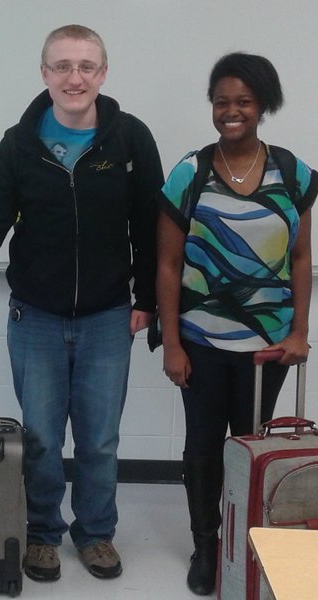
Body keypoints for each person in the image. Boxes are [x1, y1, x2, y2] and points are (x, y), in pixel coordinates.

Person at [0, 25, 163, 582]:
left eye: (87, 66)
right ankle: (42, 533)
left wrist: (148, 301)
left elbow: (151, 228)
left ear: (103, 74)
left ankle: (95, 534)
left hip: (109, 316)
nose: (75, 77)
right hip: (35, 316)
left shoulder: (130, 139)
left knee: (99, 438)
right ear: (44, 74)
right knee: (40, 437)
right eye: (63, 66)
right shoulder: (20, 142)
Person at [156, 52, 317, 596]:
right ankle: (207, 547)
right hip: (202, 342)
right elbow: (168, 265)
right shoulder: (189, 173)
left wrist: (298, 332)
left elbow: (299, 261)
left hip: (267, 348)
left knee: (250, 448)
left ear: (262, 106)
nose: (231, 111)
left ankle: (246, 545)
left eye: (243, 102)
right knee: (203, 447)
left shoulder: (292, 173)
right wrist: (172, 343)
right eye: (222, 102)